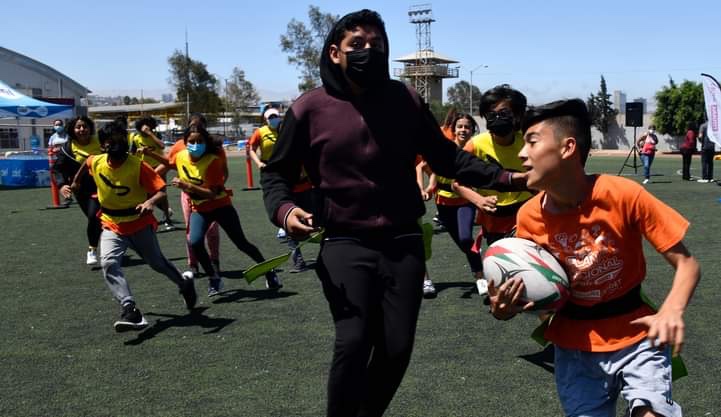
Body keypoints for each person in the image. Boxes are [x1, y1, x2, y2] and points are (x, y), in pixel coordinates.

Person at [261, 9, 526, 416]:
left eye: (377, 45)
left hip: (403, 242)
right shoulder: (308, 109)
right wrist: (284, 210)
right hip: (344, 242)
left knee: (397, 348)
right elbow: (276, 173)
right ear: (335, 53)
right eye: (358, 45)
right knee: (353, 340)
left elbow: (447, 159)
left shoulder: (405, 99)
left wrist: (511, 179)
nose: (370, 51)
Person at [489, 99, 700, 417]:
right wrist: (503, 309)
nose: (521, 153)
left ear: (567, 147)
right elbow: (530, 290)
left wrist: (671, 309)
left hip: (638, 334)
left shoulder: (623, 194)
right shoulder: (529, 217)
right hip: (574, 348)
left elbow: (687, 263)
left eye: (532, 142)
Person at [71, 121, 197, 331]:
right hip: (111, 224)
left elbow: (161, 190)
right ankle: (130, 309)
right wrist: (75, 182)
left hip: (139, 224)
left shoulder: (138, 166)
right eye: (111, 142)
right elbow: (87, 164)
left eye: (120, 141)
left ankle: (184, 284)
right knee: (109, 263)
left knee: (157, 263)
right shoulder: (97, 161)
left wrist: (150, 202)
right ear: (103, 146)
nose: (116, 146)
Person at [172, 125, 282, 296]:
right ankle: (214, 278)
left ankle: (269, 271)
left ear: (206, 142)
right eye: (191, 141)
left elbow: (211, 194)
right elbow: (167, 163)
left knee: (241, 243)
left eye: (199, 141)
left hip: (221, 206)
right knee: (194, 242)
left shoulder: (212, 160)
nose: (195, 145)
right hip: (200, 209)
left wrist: (186, 185)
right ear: (184, 142)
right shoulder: (180, 156)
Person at [456, 85, 534, 296]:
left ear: (517, 115)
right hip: (493, 215)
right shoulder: (476, 145)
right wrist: (478, 201)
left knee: (530, 261)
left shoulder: (528, 141)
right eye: (491, 114)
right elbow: (457, 183)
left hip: (526, 213)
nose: (497, 118)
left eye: (504, 113)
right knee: (501, 263)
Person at [152, 113, 224, 280]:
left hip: (210, 196)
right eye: (192, 126)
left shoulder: (213, 147)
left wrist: (217, 186)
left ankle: (214, 261)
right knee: (191, 232)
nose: (196, 131)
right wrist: (148, 180)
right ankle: (193, 264)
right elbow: (167, 165)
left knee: (212, 230)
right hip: (188, 196)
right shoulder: (179, 146)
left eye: (200, 126)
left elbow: (223, 171)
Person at [250, 106, 314, 273]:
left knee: (316, 222)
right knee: (292, 229)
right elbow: (251, 149)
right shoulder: (262, 134)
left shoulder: (302, 142)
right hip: (288, 191)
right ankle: (298, 261)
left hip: (306, 187)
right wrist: (259, 163)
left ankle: (324, 255)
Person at [430, 113, 485, 294]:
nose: (463, 130)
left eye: (467, 127)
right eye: (460, 126)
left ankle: (481, 278)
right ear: (453, 130)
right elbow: (425, 167)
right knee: (463, 245)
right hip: (443, 203)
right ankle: (480, 272)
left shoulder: (476, 149)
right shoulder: (444, 148)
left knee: (465, 238)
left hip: (464, 202)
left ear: (473, 130)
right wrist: (430, 186)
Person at [55, 116, 103, 265]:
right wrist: (62, 185)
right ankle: (96, 247)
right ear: (72, 130)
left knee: (100, 217)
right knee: (94, 217)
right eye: (78, 127)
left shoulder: (101, 142)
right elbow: (57, 169)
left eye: (85, 126)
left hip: (105, 186)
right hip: (82, 190)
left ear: (90, 128)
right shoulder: (67, 148)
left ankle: (100, 247)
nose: (82, 130)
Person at [130, 117, 174, 229]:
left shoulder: (155, 135)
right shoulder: (135, 138)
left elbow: (162, 146)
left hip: (159, 166)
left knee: (162, 193)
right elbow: (132, 153)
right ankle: (148, 219)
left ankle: (168, 220)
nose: (144, 130)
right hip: (144, 168)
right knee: (146, 195)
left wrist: (150, 134)